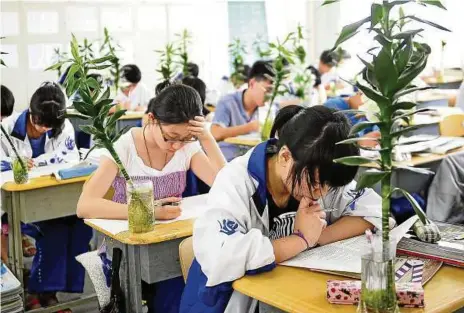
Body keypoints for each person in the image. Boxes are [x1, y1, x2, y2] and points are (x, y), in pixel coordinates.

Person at [180, 105, 386, 313]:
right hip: (223, 302)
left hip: (285, 296)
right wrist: (301, 239)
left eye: (329, 186)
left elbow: (374, 210)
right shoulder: (235, 181)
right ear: (285, 157)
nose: (321, 193)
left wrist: (321, 236)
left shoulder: (319, 172)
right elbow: (221, 256)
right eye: (315, 183)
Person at [77, 83, 226, 312]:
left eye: (186, 138)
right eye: (170, 137)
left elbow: (225, 185)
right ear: (151, 119)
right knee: (176, 287)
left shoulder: (186, 146)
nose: (176, 146)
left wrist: (206, 139)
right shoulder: (124, 148)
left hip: (171, 241)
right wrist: (150, 211)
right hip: (128, 247)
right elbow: (85, 206)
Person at [1, 82, 86, 311]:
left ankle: (50, 290)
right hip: (21, 207)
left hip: (56, 198)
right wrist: (13, 163)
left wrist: (35, 164)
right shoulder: (6, 128)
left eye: (50, 128)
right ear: (31, 112)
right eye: (40, 124)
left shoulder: (63, 126)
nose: (44, 130)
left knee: (80, 227)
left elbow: (68, 158)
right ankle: (44, 294)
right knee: (55, 231)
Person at [211, 60, 274, 161]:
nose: (270, 96)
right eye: (268, 90)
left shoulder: (267, 109)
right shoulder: (228, 102)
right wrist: (249, 127)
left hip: (252, 161)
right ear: (252, 83)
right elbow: (215, 133)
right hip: (227, 162)